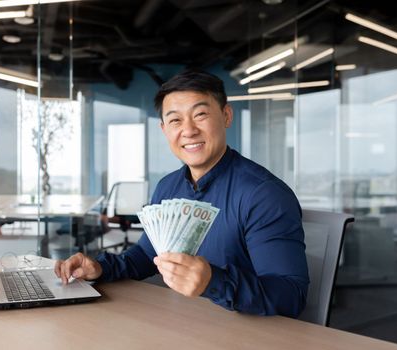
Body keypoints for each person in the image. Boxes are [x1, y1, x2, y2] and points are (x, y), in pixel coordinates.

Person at [55, 69, 309, 317]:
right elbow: (147, 254)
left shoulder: (264, 195)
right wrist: (100, 267)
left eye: (200, 115)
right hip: (185, 322)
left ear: (226, 116)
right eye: (176, 120)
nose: (188, 130)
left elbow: (291, 295)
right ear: (164, 129)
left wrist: (213, 281)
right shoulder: (168, 187)